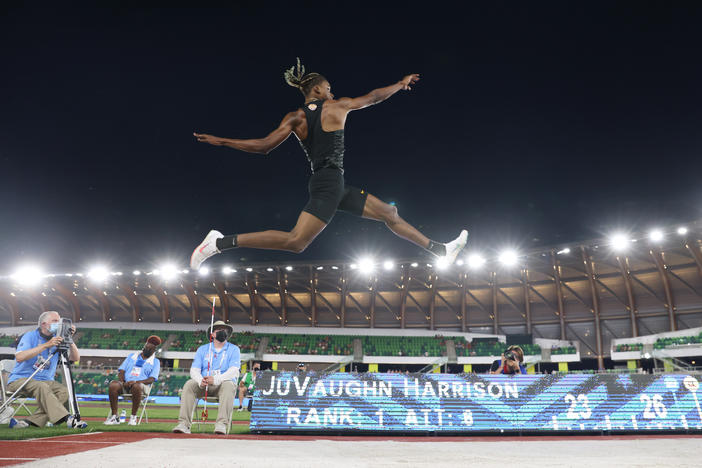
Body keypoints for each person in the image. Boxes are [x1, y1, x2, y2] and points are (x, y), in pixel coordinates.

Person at [190, 58, 468, 271]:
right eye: (329, 88)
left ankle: (440, 251)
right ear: (318, 88)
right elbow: (372, 98)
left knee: (389, 214)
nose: (332, 93)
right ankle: (218, 243)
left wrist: (223, 141)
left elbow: (264, 146)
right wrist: (399, 83)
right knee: (296, 241)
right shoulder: (337, 107)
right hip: (329, 184)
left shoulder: (294, 117)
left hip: (331, 183)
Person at [6, 311, 87, 429]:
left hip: (45, 381)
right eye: (55, 321)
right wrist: (46, 345)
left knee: (64, 391)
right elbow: (19, 357)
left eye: (59, 321)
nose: (59, 323)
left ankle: (28, 423)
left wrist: (69, 338)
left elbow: (75, 358)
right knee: (41, 386)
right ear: (44, 324)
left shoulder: (57, 339)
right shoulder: (30, 336)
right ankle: (68, 418)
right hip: (20, 380)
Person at [172, 321, 240, 435]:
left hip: (222, 384)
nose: (223, 332)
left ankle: (221, 424)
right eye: (219, 330)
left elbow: (234, 370)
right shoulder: (203, 349)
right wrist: (200, 380)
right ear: (212, 334)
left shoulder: (234, 349)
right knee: (189, 384)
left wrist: (217, 379)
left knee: (229, 384)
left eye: (225, 330)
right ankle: (184, 424)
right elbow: (194, 370)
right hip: (204, 385)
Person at [104, 335, 162, 426]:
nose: (148, 349)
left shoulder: (156, 362)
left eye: (151, 349)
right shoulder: (132, 356)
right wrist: (123, 382)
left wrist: (136, 382)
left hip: (141, 386)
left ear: (154, 350)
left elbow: (152, 379)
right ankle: (114, 417)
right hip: (126, 384)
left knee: (136, 386)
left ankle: (133, 417)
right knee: (113, 385)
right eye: (147, 347)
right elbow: (122, 371)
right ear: (144, 347)